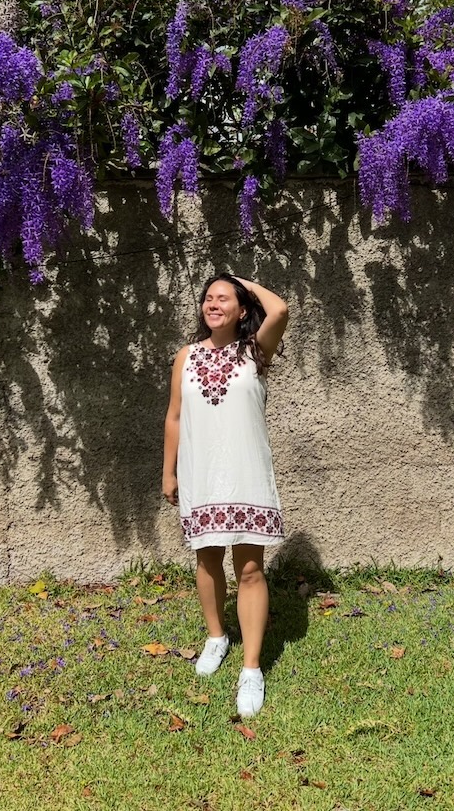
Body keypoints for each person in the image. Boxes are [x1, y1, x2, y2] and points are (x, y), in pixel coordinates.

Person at [162, 273, 288, 717]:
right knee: (207, 558)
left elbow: (281, 310)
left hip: (246, 472)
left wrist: (238, 278)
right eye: (208, 298)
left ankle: (251, 668)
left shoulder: (255, 350)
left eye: (224, 298)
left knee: (250, 568)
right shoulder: (186, 356)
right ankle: (217, 636)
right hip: (202, 472)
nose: (213, 304)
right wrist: (169, 472)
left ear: (240, 307)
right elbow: (175, 417)